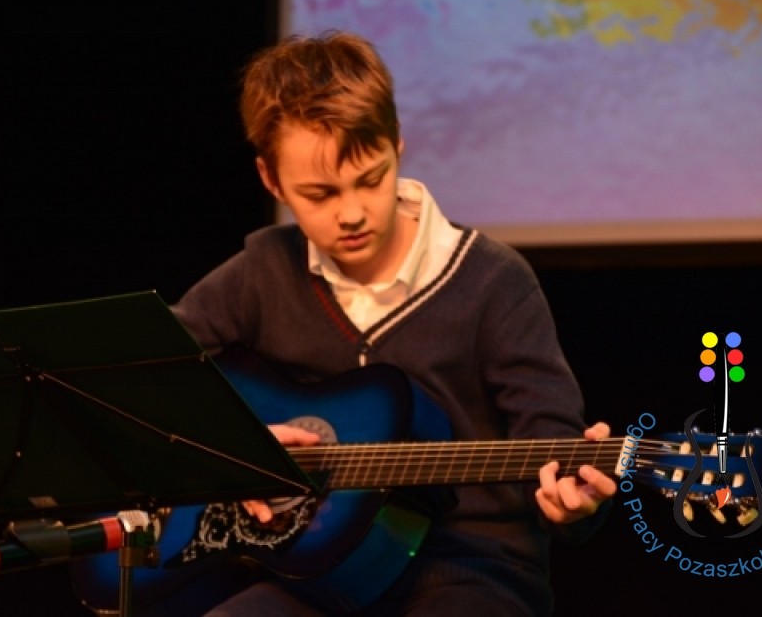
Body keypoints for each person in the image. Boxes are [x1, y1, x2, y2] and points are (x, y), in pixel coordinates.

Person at [164, 30, 616, 616]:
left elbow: (553, 442)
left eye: (371, 179)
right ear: (270, 180)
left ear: (397, 142)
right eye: (319, 194)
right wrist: (235, 448)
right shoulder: (262, 272)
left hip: (470, 568)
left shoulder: (494, 280)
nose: (352, 213)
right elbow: (137, 380)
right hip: (308, 573)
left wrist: (572, 503)